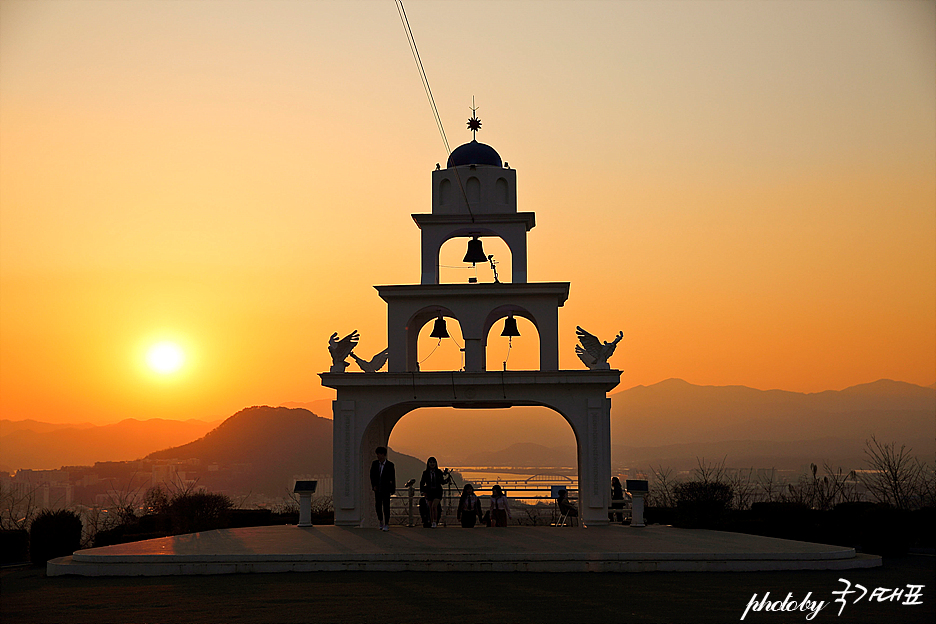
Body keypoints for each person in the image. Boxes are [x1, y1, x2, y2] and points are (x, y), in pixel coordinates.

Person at [369, 446, 396, 532]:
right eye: (377, 454)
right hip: (378, 489)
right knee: (378, 506)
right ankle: (380, 520)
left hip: (386, 489)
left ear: (383, 454)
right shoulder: (375, 464)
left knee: (386, 506)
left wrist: (392, 489)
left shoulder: (390, 465)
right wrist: (374, 485)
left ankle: (386, 523)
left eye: (379, 454)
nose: (378, 456)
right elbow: (372, 476)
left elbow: (392, 477)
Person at [419, 457, 446, 528]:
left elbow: (442, 482)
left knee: (434, 506)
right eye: (430, 462)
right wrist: (422, 491)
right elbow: (422, 482)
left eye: (433, 462)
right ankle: (431, 521)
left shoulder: (439, 472)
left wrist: (447, 480)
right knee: (430, 507)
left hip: (437, 492)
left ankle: (435, 521)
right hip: (429, 492)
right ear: (428, 464)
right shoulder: (425, 473)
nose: (432, 464)